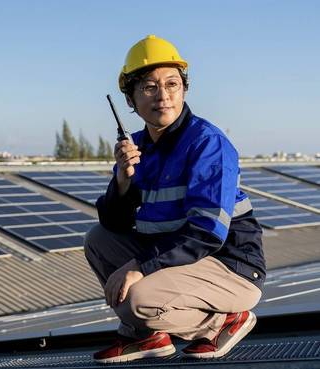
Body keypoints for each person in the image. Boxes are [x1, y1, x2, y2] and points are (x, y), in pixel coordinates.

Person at [85, 35, 266, 363]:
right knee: (98, 239)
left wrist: (140, 266)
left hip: (230, 265)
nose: (163, 96)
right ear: (130, 99)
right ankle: (146, 336)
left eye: (172, 84)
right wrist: (123, 182)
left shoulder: (207, 143)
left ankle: (221, 321)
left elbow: (206, 232)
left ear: (184, 89)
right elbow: (114, 224)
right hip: (180, 260)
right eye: (149, 87)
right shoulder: (138, 146)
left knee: (136, 298)